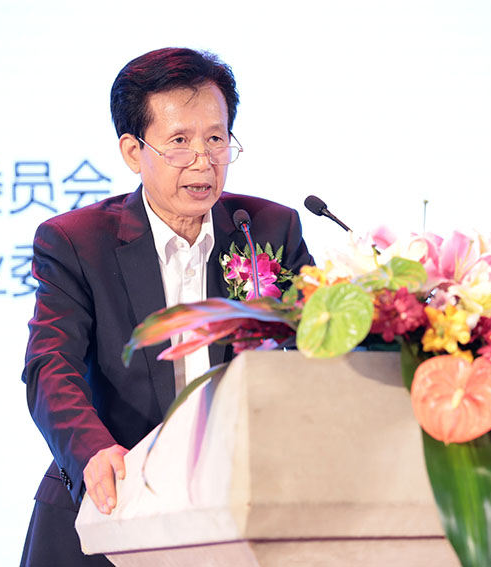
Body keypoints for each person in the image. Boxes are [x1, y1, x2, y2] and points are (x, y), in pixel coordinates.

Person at [19, 47, 313, 566]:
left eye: (216, 139)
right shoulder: (76, 242)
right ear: (134, 152)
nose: (203, 160)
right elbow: (51, 366)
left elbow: (320, 343)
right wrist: (93, 452)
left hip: (240, 518)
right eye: (180, 142)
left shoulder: (266, 229)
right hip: (112, 510)